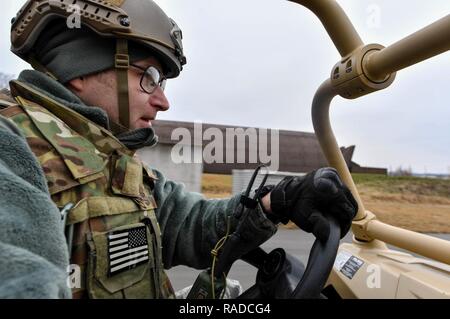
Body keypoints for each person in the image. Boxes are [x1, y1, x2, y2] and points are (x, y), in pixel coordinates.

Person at [0, 0, 357, 299]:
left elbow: (185, 223)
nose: (163, 100)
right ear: (80, 69)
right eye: (150, 78)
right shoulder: (10, 143)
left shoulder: (108, 155)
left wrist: (274, 202)